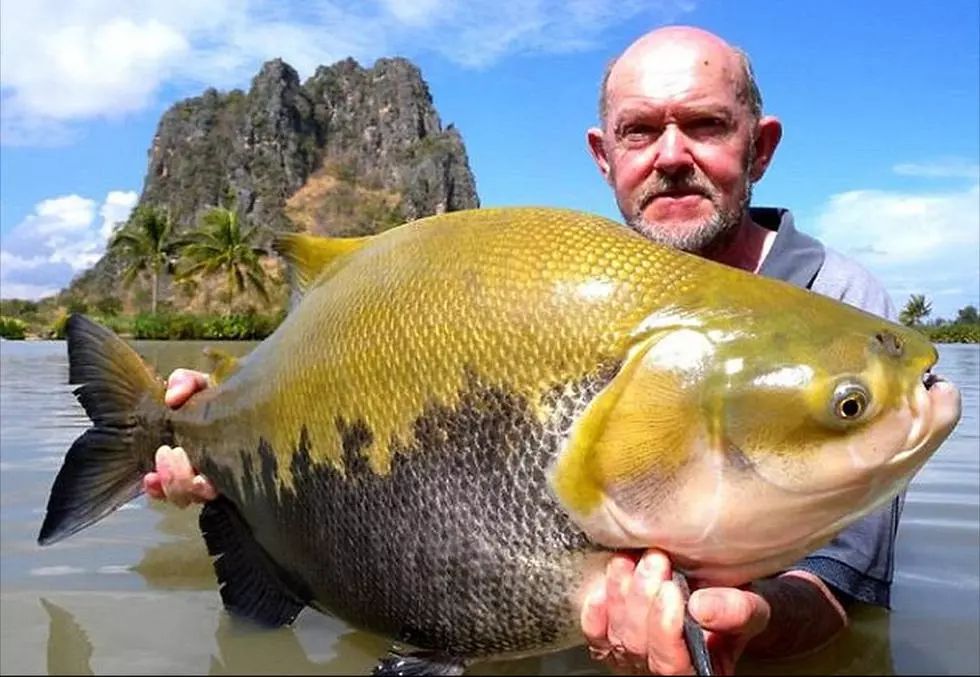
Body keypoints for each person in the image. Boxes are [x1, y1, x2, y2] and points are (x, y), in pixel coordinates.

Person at [144, 25, 901, 676]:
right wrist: (215, 439)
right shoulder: (525, 282)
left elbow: (843, 591)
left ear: (759, 146)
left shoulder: (843, 307)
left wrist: (750, 620)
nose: (671, 155)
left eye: (704, 125)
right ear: (605, 156)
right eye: (641, 132)